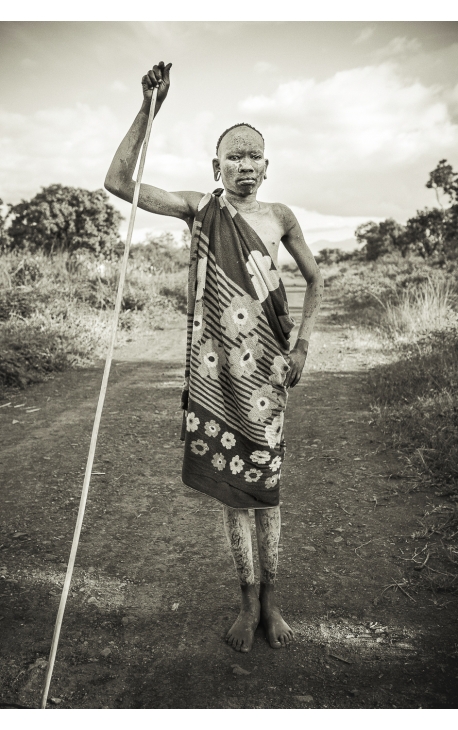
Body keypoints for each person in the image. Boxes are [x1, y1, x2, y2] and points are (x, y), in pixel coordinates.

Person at [105, 62, 324, 653]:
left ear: (267, 166)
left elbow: (315, 280)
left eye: (255, 155)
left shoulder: (280, 217)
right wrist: (148, 109)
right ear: (216, 166)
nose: (245, 164)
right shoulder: (198, 209)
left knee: (266, 487)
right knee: (232, 491)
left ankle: (272, 602)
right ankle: (246, 600)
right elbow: (119, 183)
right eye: (235, 156)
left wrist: (302, 343)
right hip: (214, 374)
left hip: (268, 375)